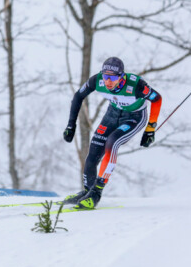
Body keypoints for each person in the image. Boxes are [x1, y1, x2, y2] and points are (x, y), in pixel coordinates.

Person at [62, 57, 162, 209]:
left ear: (121, 76)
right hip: (112, 114)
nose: (108, 81)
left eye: (113, 77)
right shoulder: (97, 80)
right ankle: (87, 192)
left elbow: (157, 99)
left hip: (134, 117)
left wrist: (150, 128)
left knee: (112, 142)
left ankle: (96, 193)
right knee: (92, 154)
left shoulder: (136, 86)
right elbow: (78, 96)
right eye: (105, 76)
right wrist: (71, 125)